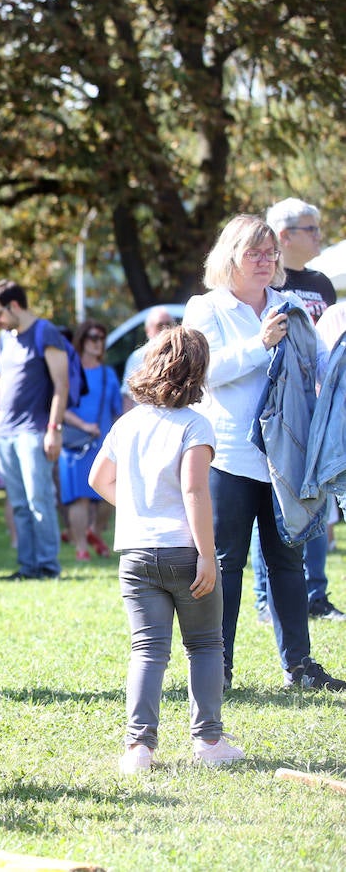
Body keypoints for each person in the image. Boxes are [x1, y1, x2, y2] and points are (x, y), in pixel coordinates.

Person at [183, 213, 345, 692]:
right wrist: (260, 343)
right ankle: (220, 667)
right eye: (253, 253)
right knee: (226, 564)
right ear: (230, 256)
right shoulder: (205, 308)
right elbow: (205, 372)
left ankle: (300, 667)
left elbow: (315, 360)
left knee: (287, 562)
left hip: (284, 458)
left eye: (270, 253)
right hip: (229, 454)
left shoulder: (289, 303)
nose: (264, 261)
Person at [88, 326, 245, 773]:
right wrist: (208, 553)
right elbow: (195, 491)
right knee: (205, 645)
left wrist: (139, 508)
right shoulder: (196, 425)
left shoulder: (127, 423)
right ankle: (209, 741)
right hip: (183, 551)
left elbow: (99, 480)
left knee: (147, 650)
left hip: (136, 554)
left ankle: (139, 748)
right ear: (198, 373)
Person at [250, 198, 342, 622]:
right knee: (271, 503)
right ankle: (268, 599)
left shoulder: (323, 284)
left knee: (316, 499)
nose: (320, 237)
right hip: (275, 410)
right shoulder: (266, 284)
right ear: (284, 236)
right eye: (312, 229)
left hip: (316, 411)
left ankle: (315, 594)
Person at [0, 279, 69, 580]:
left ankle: (48, 566)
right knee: (19, 503)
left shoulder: (45, 332)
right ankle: (28, 567)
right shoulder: (7, 339)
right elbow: (1, 380)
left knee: (39, 499)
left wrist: (54, 429)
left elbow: (61, 384)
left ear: (15, 305)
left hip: (33, 431)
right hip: (4, 433)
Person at [60, 321, 123, 561]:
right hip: (75, 443)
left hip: (103, 443)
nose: (98, 343)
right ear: (82, 340)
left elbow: (117, 408)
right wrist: (83, 425)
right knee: (79, 498)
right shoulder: (70, 371)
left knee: (108, 495)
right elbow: (60, 407)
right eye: (93, 338)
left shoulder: (108, 374)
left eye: (101, 338)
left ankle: (94, 531)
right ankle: (81, 547)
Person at [121, 307, 175, 411]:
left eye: (168, 324)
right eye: (160, 325)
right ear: (147, 330)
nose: (165, 329)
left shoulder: (181, 354)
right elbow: (128, 395)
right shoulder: (138, 357)